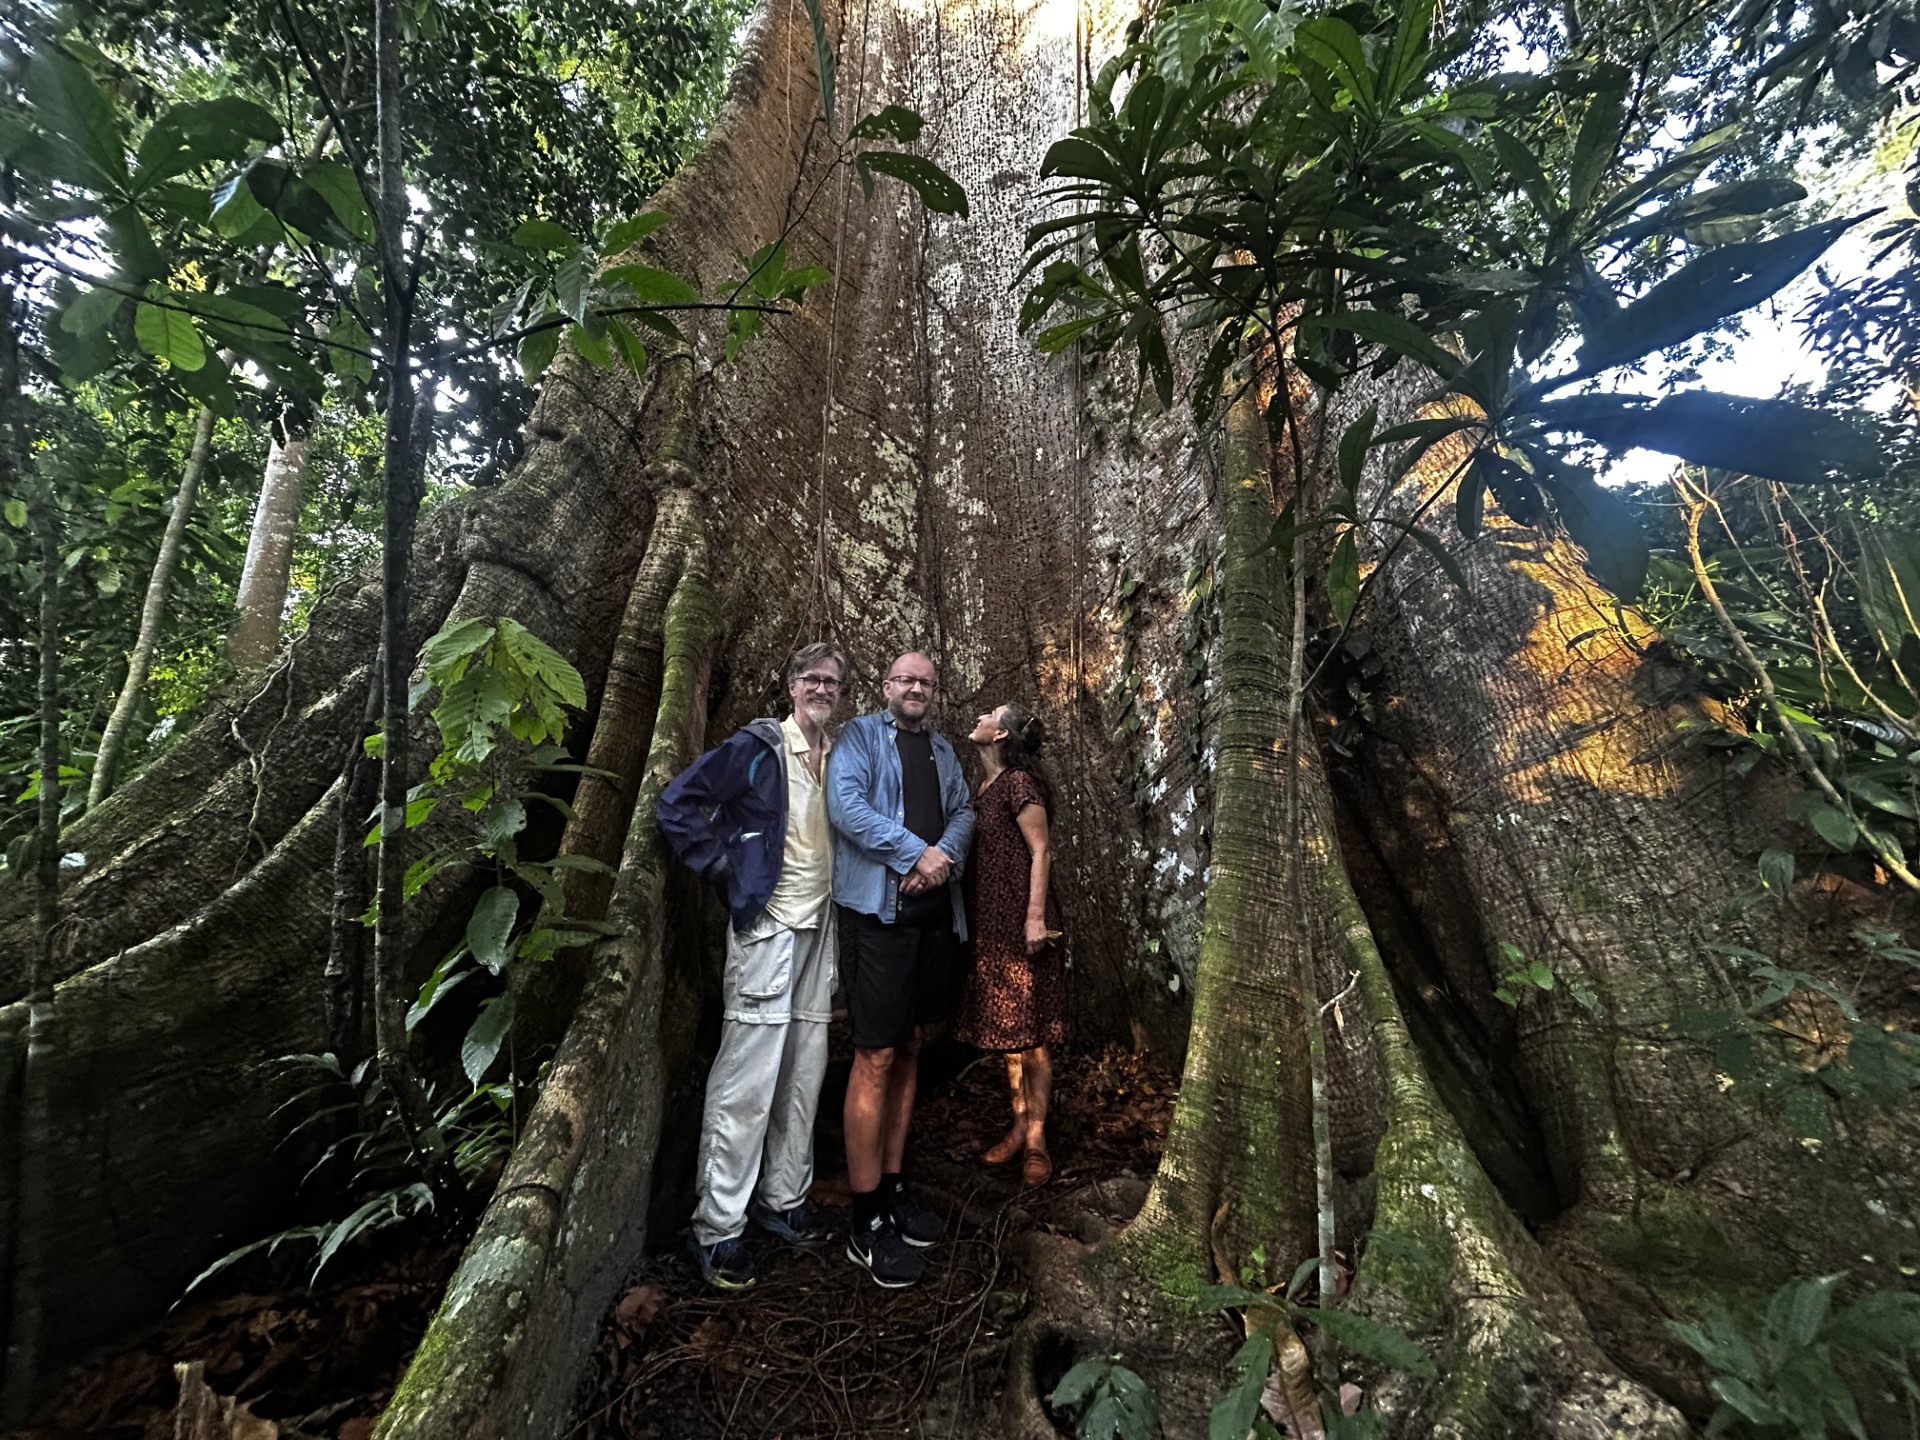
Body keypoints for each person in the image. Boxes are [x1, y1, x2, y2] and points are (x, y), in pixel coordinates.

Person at [657, 642, 848, 1290]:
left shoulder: (839, 759)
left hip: (822, 933)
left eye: (832, 682)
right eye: (811, 679)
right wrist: (724, 870)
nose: (822, 689)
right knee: (749, 1078)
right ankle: (717, 1228)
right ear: (792, 688)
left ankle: (782, 1199)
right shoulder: (761, 748)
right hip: (768, 929)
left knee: (804, 1069)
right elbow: (677, 803)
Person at [826, 650, 974, 1287]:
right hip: (878, 922)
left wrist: (943, 857)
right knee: (875, 1055)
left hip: (934, 924)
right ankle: (866, 1221)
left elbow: (965, 812)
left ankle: (894, 1186)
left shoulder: (942, 751)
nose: (916, 689)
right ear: (886, 687)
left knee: (911, 1046)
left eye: (926, 682)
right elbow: (848, 810)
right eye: (905, 680)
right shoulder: (860, 735)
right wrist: (917, 854)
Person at [956, 702, 1065, 1188]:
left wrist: (1035, 919)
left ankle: (1038, 1138)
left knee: (1034, 1032)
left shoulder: (1020, 783)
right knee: (1010, 1030)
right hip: (993, 924)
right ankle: (1019, 1124)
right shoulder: (983, 787)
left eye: (990, 714)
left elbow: (1041, 849)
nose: (979, 716)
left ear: (1000, 735)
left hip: (1023, 920)